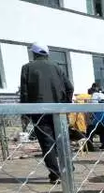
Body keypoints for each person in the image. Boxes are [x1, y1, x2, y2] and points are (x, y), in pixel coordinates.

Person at [20, 42, 74, 184]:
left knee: (47, 143)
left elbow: (24, 93)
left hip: (39, 111)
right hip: (59, 110)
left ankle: (55, 174)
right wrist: (66, 105)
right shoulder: (57, 67)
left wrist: (25, 113)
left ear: (33, 53)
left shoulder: (27, 68)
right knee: (62, 140)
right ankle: (69, 167)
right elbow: (70, 87)